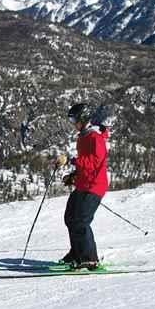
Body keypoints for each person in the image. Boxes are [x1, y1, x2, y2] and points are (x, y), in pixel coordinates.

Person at [57, 102, 110, 270]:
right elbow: (85, 165)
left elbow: (94, 163)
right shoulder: (82, 137)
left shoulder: (95, 138)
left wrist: (72, 160)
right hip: (83, 184)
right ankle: (76, 253)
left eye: (74, 120)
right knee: (70, 218)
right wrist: (74, 176)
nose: (73, 124)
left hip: (94, 186)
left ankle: (90, 259)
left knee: (81, 221)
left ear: (84, 118)